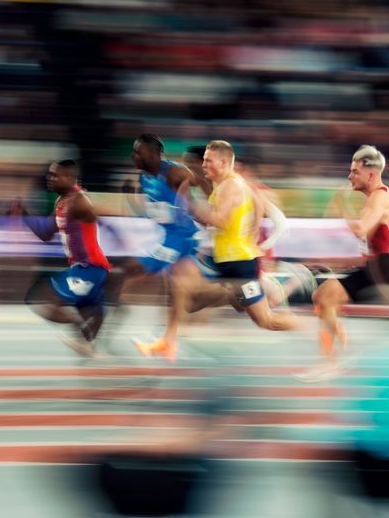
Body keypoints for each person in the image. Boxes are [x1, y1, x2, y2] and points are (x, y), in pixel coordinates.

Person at [185, 140, 302, 331]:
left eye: (208, 161)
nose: (204, 165)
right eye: (203, 161)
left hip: (240, 263)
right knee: (193, 303)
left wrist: (191, 206)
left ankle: (311, 326)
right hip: (227, 260)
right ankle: (256, 290)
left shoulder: (232, 185)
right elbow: (217, 222)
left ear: (224, 162)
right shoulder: (222, 185)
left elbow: (221, 220)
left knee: (266, 320)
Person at [300, 144, 389, 381]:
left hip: (385, 266)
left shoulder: (379, 196)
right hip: (379, 265)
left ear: (370, 174)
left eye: (354, 172)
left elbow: (361, 230)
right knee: (323, 296)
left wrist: (343, 206)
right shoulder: (375, 198)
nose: (349, 176)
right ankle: (335, 357)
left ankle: (334, 361)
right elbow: (368, 244)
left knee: (325, 297)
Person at [9, 160, 112, 357]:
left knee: (42, 298)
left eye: (55, 176)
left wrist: (115, 233)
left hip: (90, 268)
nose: (50, 179)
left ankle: (83, 330)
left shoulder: (78, 199)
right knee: (93, 310)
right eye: (49, 175)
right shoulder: (62, 202)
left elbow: (98, 216)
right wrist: (25, 215)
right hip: (88, 268)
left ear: (70, 178)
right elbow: (45, 233)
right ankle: (90, 344)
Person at [124, 134, 203, 361]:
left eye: (138, 152)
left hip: (182, 237)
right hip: (169, 236)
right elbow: (151, 208)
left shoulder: (174, 172)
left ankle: (105, 320)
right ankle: (170, 339)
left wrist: (214, 208)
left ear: (152, 153)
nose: (134, 156)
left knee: (135, 269)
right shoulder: (144, 178)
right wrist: (131, 200)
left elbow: (200, 184)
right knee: (177, 287)